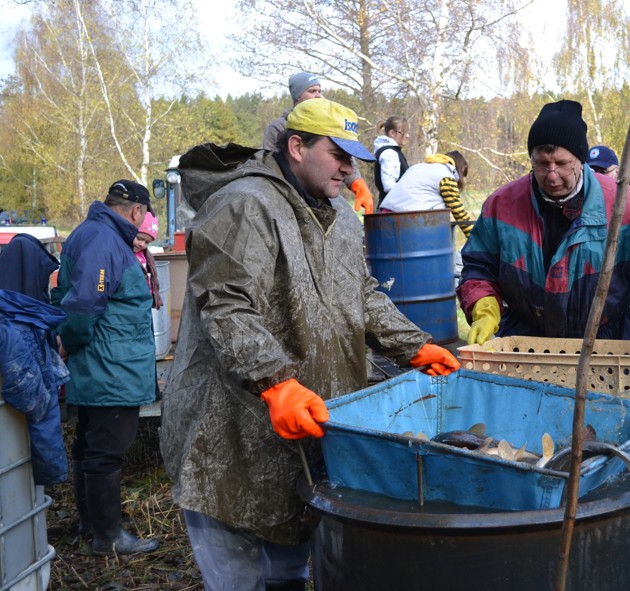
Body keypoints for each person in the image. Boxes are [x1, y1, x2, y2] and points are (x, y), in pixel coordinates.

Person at [159, 98, 460, 590]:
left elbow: (359, 292)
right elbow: (228, 305)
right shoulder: (245, 204)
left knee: (290, 570)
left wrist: (413, 346)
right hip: (231, 431)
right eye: (337, 152)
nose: (349, 166)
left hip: (309, 431)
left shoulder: (339, 214)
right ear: (296, 147)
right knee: (240, 575)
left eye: (353, 155)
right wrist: (275, 382)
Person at [457, 100, 630, 372]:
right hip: (526, 347)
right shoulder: (503, 205)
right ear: (531, 159)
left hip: (607, 349)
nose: (552, 175)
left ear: (581, 161)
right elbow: (479, 268)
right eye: (542, 164)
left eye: (562, 163)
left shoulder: (623, 206)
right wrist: (484, 310)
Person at [51, 180, 159, 554]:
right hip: (111, 367)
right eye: (145, 214)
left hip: (105, 363)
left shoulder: (95, 232)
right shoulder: (104, 240)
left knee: (89, 443)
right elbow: (84, 304)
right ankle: (108, 537)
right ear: (136, 211)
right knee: (106, 449)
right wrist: (70, 342)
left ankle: (92, 524)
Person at [262, 71, 374, 215]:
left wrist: (357, 183)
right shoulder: (277, 128)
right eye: (312, 91)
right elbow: (269, 165)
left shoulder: (328, 121)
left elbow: (343, 153)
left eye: (320, 91)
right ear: (297, 97)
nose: (318, 95)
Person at [378, 150, 474, 238]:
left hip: (383, 218)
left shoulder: (418, 167)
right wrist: (476, 239)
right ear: (458, 169)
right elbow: (459, 213)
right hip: (407, 222)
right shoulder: (446, 176)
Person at [373, 115, 411, 200]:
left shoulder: (391, 151)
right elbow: (389, 186)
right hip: (392, 209)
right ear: (392, 133)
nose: (407, 136)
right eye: (403, 132)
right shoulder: (389, 153)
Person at [133, 211, 162, 309]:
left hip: (146, 304)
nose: (142, 244)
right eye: (139, 238)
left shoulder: (146, 255)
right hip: (134, 305)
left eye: (147, 242)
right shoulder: (125, 253)